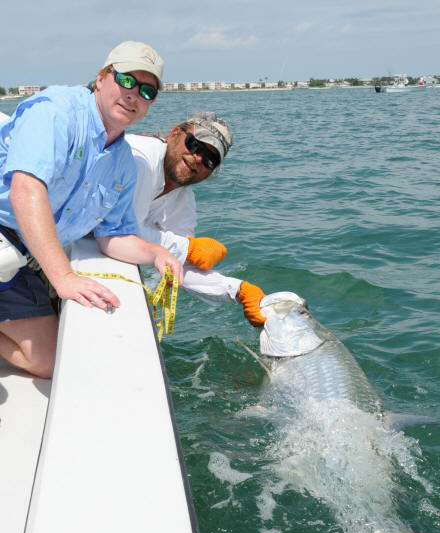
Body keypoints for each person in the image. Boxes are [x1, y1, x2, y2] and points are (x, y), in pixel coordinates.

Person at [0, 41, 183, 378]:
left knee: (51, 360)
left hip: (18, 258)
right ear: (101, 78)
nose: (133, 95)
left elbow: (112, 236)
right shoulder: (56, 111)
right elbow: (25, 193)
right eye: (126, 81)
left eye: (146, 91)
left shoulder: (125, 164)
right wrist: (65, 277)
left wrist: (156, 253)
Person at [125, 112, 266, 327]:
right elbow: (120, 230)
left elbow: (178, 263)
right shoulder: (141, 157)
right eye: (195, 145)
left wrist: (238, 290)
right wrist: (188, 248)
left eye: (210, 159)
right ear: (174, 133)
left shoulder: (184, 200)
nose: (198, 158)